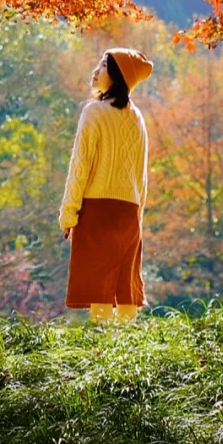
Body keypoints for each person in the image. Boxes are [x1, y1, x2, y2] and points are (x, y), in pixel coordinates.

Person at [59, 47, 153, 324]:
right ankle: (129, 349)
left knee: (98, 289)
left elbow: (80, 168)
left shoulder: (94, 113)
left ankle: (102, 352)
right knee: (126, 286)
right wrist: (138, 218)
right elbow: (141, 177)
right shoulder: (138, 119)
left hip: (96, 210)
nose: (96, 70)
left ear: (118, 74)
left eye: (103, 65)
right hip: (129, 212)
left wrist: (69, 212)